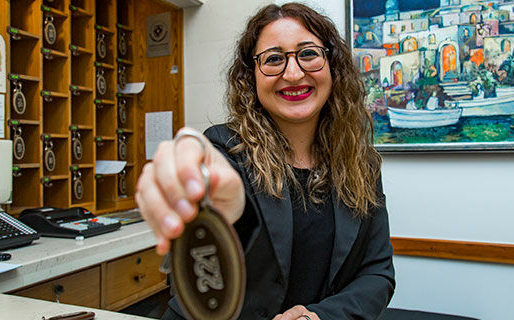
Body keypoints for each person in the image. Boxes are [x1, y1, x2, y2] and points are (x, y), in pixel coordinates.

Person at [136, 3, 394, 320]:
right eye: (273, 59)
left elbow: (377, 272)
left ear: (333, 65)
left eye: (309, 54)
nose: (294, 73)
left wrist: (319, 317)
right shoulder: (226, 151)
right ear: (251, 78)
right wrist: (205, 211)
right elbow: (215, 262)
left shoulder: (361, 163)